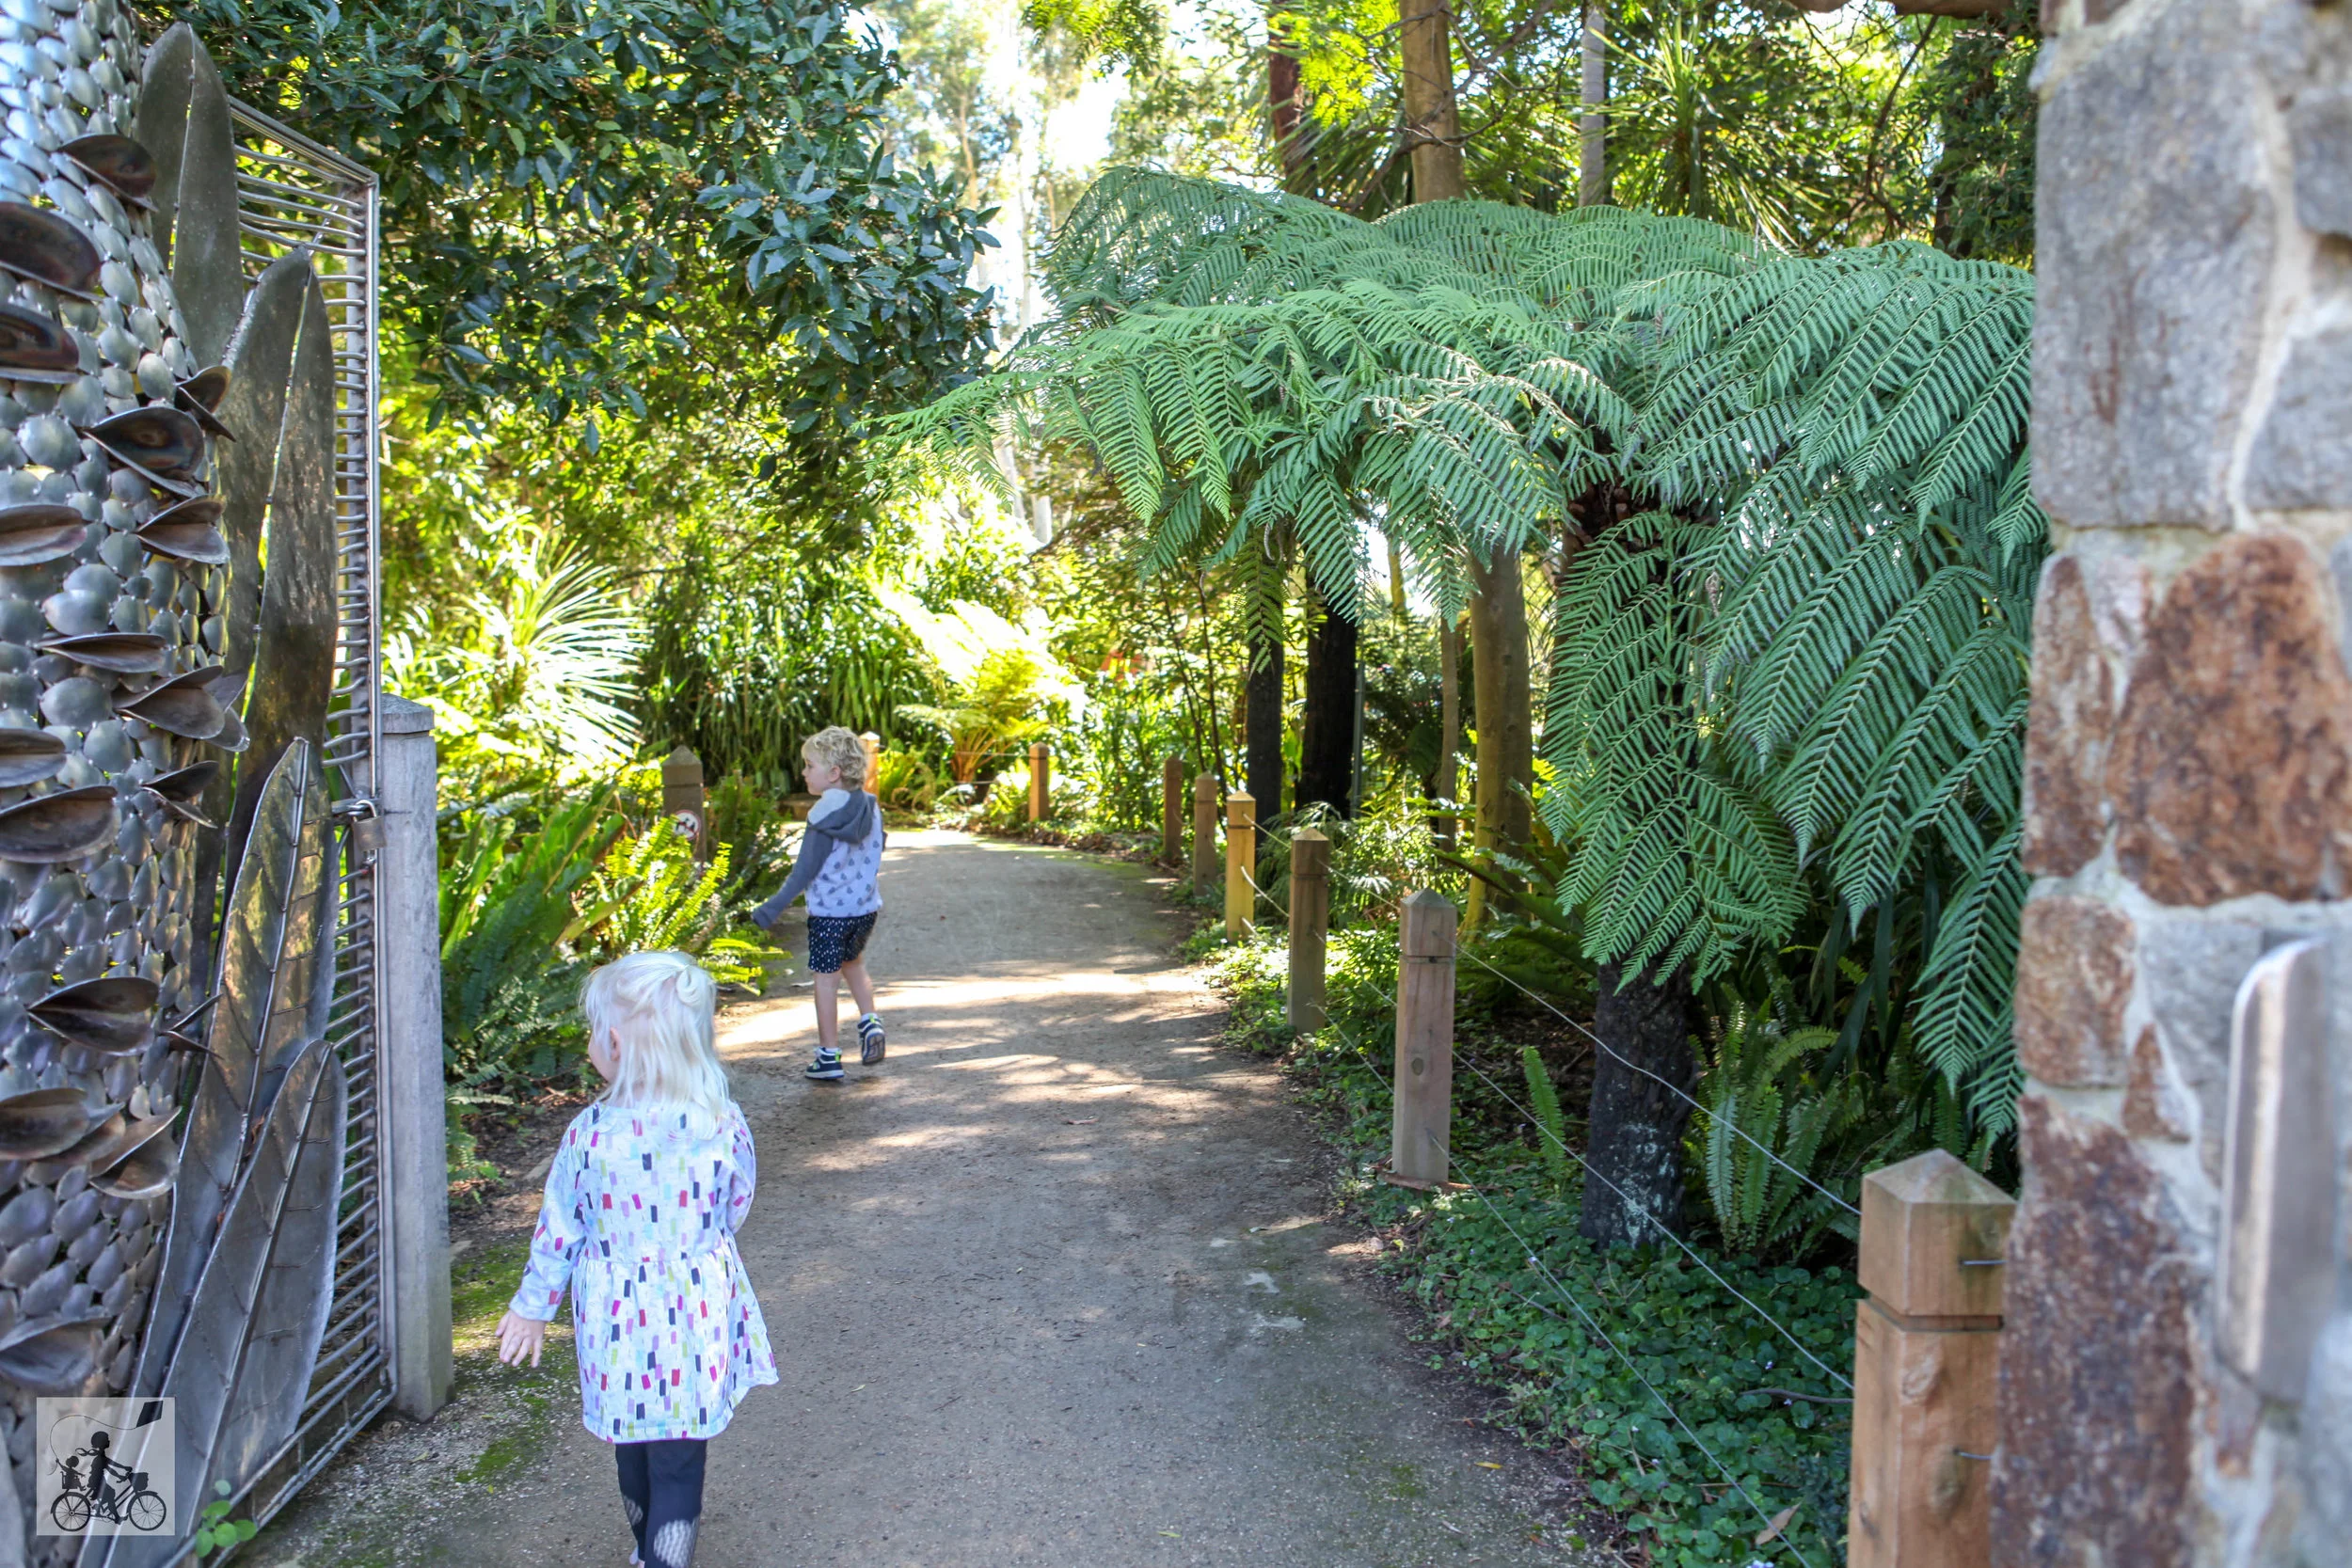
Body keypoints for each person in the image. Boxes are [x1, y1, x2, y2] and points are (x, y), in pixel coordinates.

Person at [495, 952, 778, 1568]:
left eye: (594, 1031)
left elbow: (559, 1229)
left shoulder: (588, 1135)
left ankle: (648, 1546)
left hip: (618, 1326)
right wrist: (695, 1242)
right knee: (680, 1455)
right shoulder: (720, 1121)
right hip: (695, 1315)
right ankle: (663, 1556)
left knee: (631, 1444)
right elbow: (738, 1201)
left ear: (615, 1043)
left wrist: (532, 1307)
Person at [750, 725, 887, 1082]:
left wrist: (771, 908)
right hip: (865, 909)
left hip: (829, 915)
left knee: (825, 981)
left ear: (833, 773)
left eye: (809, 765)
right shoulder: (872, 807)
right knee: (853, 963)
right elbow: (877, 847)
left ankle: (828, 1057)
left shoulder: (822, 815)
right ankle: (870, 1021)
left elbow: (803, 872)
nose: (804, 772)